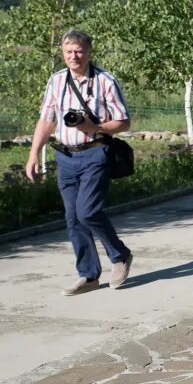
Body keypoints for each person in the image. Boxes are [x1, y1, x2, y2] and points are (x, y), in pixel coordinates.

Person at [24, 29, 134, 296]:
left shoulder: (105, 81)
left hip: (96, 152)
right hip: (66, 155)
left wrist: (94, 127)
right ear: (63, 53)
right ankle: (88, 275)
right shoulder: (57, 80)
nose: (74, 56)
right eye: (68, 52)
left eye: (79, 51)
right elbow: (46, 119)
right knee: (73, 218)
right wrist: (33, 153)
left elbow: (123, 121)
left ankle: (119, 256)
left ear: (89, 51)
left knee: (87, 211)